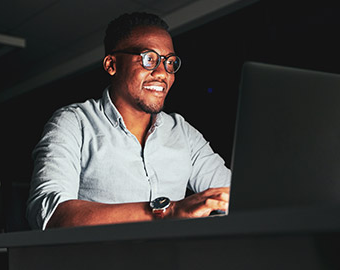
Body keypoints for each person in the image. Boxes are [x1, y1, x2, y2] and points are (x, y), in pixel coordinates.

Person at [26, 12, 230, 230]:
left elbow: (237, 197)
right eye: (149, 59)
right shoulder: (73, 123)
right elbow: (49, 213)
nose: (162, 73)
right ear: (112, 64)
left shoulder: (183, 133)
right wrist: (167, 212)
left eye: (169, 62)